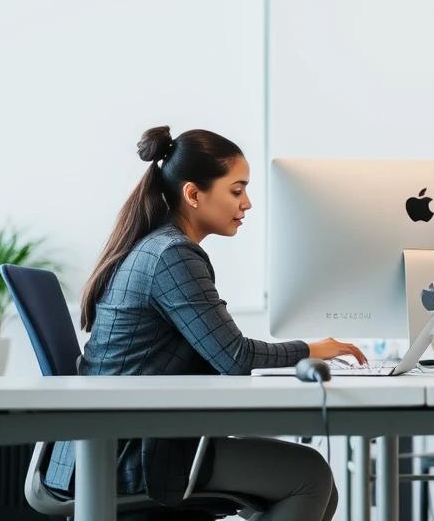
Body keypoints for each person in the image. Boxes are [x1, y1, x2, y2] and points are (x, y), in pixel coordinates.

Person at [45, 126, 366, 520]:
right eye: (236, 190)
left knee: (316, 486)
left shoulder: (159, 247)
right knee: (311, 475)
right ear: (194, 195)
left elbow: (221, 352)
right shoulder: (172, 255)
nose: (247, 203)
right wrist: (311, 350)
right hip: (130, 453)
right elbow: (234, 356)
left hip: (120, 442)